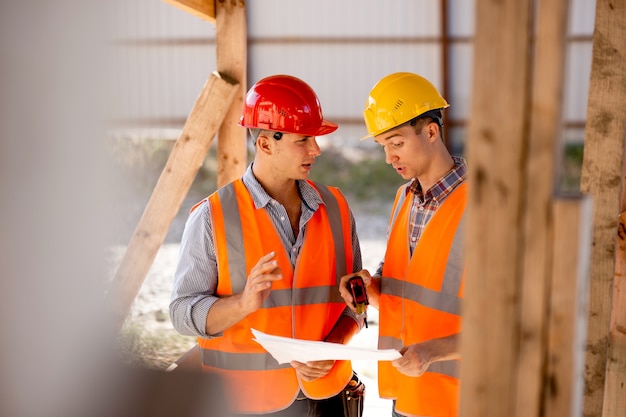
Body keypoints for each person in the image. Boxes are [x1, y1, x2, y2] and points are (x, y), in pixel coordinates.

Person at [170, 74, 365, 417]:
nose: (315, 150)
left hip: (329, 399)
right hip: (246, 404)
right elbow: (182, 314)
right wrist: (242, 304)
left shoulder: (336, 208)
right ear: (265, 144)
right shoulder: (212, 217)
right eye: (303, 140)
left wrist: (333, 347)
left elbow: (357, 303)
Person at [339, 72, 468, 417]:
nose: (388, 158)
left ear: (430, 131)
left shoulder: (484, 204)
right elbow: (412, 292)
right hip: (407, 396)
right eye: (383, 146)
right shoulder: (403, 199)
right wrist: (371, 288)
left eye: (396, 143)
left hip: (461, 400)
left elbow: (508, 320)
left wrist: (430, 353)